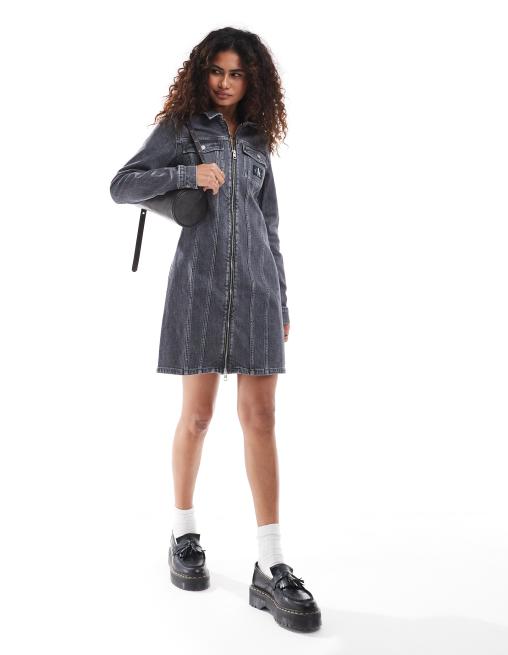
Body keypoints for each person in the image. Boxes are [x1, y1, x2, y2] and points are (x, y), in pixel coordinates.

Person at [110, 26, 321, 632]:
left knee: (262, 418)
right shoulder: (181, 129)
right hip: (198, 288)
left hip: (257, 291)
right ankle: (183, 535)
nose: (226, 83)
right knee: (198, 416)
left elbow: (270, 227)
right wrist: (187, 174)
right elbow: (122, 185)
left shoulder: (256, 142)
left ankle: (272, 565)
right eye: (217, 71)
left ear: (253, 81)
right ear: (202, 72)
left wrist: (282, 301)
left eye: (237, 74)